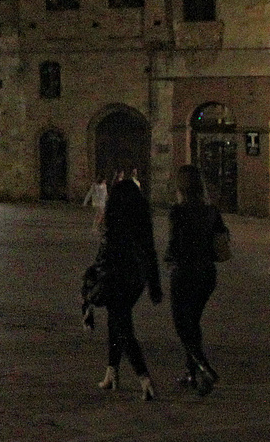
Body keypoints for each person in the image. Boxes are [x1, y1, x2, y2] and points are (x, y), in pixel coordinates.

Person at [95, 177, 163, 400]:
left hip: (117, 277)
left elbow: (105, 254)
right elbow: (150, 252)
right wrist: (154, 286)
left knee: (123, 326)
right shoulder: (142, 221)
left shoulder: (115, 223)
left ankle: (144, 378)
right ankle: (112, 372)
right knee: (116, 322)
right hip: (136, 279)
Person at [167, 164, 228, 396]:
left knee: (182, 325)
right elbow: (223, 237)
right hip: (207, 274)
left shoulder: (178, 211)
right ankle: (191, 372)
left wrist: (169, 258)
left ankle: (204, 368)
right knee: (193, 322)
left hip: (185, 273)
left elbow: (174, 245)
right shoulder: (211, 210)